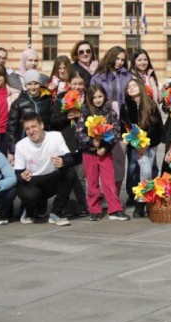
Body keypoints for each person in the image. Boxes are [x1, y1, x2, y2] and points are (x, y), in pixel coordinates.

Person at [75, 83, 128, 221]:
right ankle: (94, 209)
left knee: (109, 181)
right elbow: (79, 132)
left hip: (105, 152)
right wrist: (91, 142)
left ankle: (115, 209)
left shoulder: (110, 112)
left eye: (100, 96)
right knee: (92, 182)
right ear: (89, 98)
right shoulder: (85, 112)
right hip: (89, 153)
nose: (98, 99)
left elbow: (116, 132)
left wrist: (106, 146)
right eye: (95, 97)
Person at [12, 112, 75, 226]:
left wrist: (63, 162)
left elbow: (70, 158)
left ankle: (56, 213)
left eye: (34, 126)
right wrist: (21, 176)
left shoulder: (55, 136)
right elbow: (17, 173)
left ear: (41, 125)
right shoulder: (21, 145)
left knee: (69, 173)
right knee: (30, 195)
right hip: (33, 181)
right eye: (27, 129)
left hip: (51, 179)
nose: (31, 131)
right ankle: (29, 212)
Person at [120, 77, 164, 218]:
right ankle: (139, 200)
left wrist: (146, 143)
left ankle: (143, 202)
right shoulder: (125, 106)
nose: (131, 88)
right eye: (129, 87)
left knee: (147, 171)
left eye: (134, 85)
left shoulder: (150, 105)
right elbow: (124, 128)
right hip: (135, 145)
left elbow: (157, 127)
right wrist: (135, 143)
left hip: (150, 144)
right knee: (138, 171)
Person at [49, 71, 89, 217]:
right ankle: (70, 205)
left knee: (81, 175)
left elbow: (96, 116)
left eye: (80, 84)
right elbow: (53, 120)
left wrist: (83, 115)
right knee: (69, 175)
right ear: (69, 84)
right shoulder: (61, 98)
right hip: (67, 142)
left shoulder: (89, 98)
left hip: (84, 142)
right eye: (74, 84)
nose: (78, 87)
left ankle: (82, 205)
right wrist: (67, 116)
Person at [6, 70, 55, 153]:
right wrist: (13, 149)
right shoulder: (18, 103)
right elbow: (11, 128)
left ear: (40, 84)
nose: (33, 87)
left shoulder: (47, 100)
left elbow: (52, 123)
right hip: (25, 142)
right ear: (25, 85)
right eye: (29, 84)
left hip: (44, 143)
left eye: (35, 83)